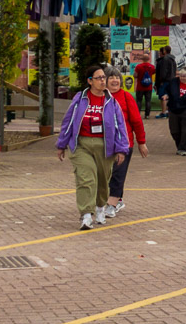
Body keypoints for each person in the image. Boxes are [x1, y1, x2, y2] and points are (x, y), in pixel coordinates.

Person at [55, 65, 130, 230]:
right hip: (82, 144)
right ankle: (86, 215)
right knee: (86, 178)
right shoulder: (79, 99)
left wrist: (121, 148)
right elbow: (68, 121)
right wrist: (62, 144)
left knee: (103, 181)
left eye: (104, 78)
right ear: (90, 81)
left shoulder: (111, 102)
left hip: (105, 146)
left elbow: (120, 126)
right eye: (99, 78)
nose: (103, 81)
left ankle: (99, 207)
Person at [103, 68, 148, 218]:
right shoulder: (99, 97)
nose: (115, 80)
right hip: (103, 144)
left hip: (123, 143)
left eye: (117, 77)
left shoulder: (126, 97)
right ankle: (116, 199)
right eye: (111, 77)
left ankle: (112, 204)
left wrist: (141, 142)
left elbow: (136, 121)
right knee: (105, 174)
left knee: (118, 173)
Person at [154, 45, 176, 119]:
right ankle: (167, 112)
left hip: (165, 81)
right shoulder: (173, 59)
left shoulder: (165, 59)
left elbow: (163, 71)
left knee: (163, 96)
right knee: (168, 96)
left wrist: (161, 81)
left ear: (164, 51)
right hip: (171, 80)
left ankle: (163, 113)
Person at [133, 53, 158, 119]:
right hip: (148, 87)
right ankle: (147, 115)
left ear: (142, 59)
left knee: (139, 101)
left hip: (140, 87)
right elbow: (153, 73)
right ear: (148, 59)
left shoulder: (138, 66)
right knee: (148, 101)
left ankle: (138, 115)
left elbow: (135, 75)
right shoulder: (152, 67)